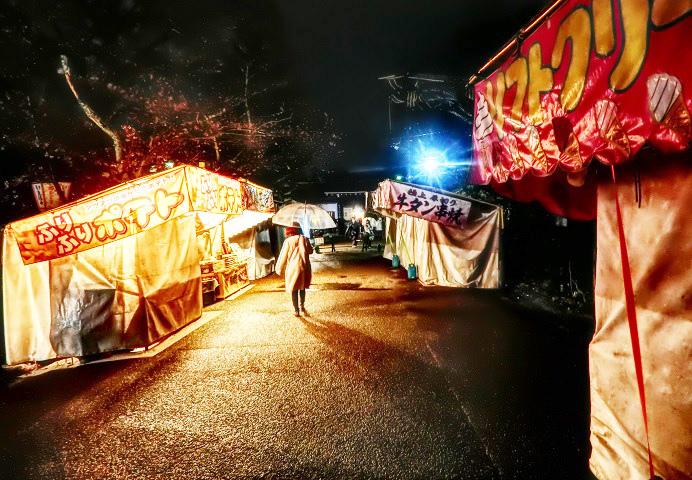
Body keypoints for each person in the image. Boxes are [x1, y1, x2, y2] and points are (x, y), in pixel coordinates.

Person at [276, 222, 313, 317]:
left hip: (293, 267)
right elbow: (310, 251)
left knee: (294, 288)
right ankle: (302, 306)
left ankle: (296, 310)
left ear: (290, 230)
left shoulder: (288, 241)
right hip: (304, 267)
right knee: (302, 287)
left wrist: (279, 268)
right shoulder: (304, 239)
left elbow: (283, 255)